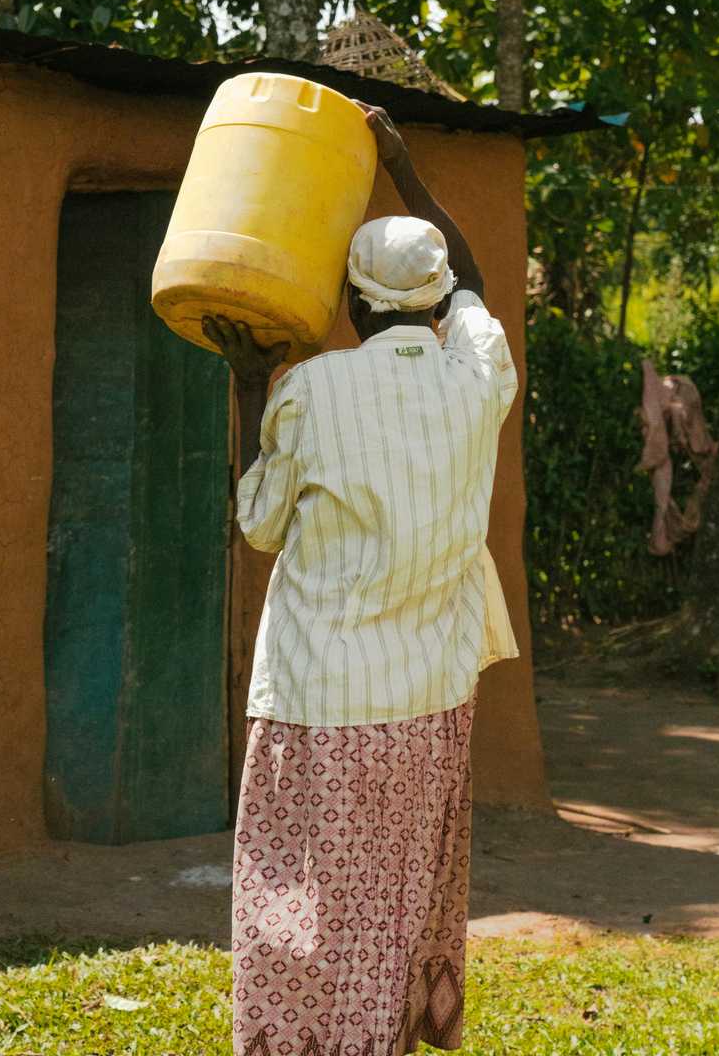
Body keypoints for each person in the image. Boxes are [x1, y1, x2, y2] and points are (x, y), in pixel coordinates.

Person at [203, 103, 520, 1056]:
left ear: (349, 304)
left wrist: (251, 382)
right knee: (395, 901)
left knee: (302, 915)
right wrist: (405, 170)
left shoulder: (310, 388)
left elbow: (259, 525)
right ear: (436, 303)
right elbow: (473, 280)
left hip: (318, 700)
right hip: (429, 698)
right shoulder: (479, 377)